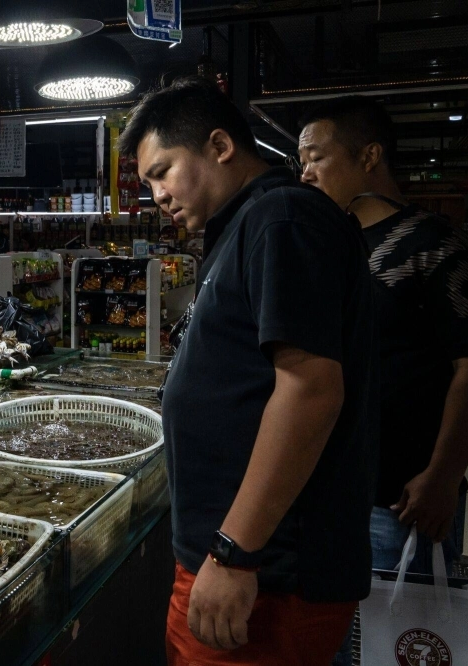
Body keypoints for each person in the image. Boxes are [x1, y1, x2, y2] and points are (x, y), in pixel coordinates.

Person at [117, 77, 377, 666]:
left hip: (269, 573)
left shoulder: (282, 218)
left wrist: (235, 552)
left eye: (163, 171)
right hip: (245, 561)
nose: (155, 193)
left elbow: (310, 389)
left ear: (220, 145)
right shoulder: (245, 225)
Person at [298, 96, 468, 665]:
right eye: (299, 161)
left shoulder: (434, 244)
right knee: (334, 641)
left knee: (394, 642)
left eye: (316, 157)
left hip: (402, 501)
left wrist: (443, 476)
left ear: (369, 156)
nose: (304, 172)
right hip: (332, 495)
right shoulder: (334, 246)